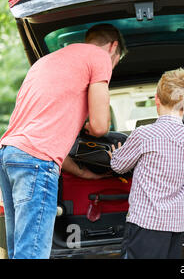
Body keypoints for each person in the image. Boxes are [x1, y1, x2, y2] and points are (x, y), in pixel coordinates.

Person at [0, 23, 125, 259]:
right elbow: (100, 126)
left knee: (20, 250)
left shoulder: (46, 61)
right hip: (36, 161)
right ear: (113, 47)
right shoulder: (99, 57)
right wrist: (90, 127)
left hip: (10, 155)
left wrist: (85, 174)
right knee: (33, 253)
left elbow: (49, 140)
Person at [109, 68, 184, 259]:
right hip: (174, 224)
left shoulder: (144, 134)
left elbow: (118, 166)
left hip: (146, 224)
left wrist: (114, 155)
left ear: (156, 99)